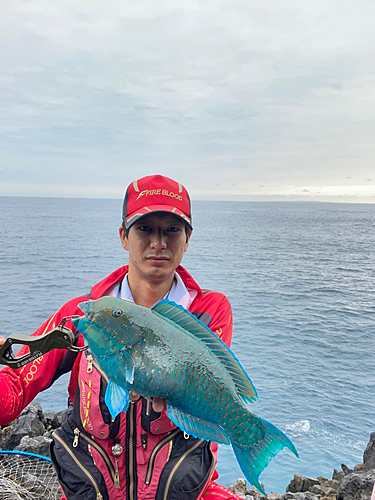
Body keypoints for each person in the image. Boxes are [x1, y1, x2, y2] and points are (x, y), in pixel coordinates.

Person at [0, 174, 241, 500]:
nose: (159, 243)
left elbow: (211, 394)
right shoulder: (81, 316)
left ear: (188, 239)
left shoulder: (209, 311)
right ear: (124, 237)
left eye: (172, 230)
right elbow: (14, 390)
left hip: (184, 489)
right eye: (144, 229)